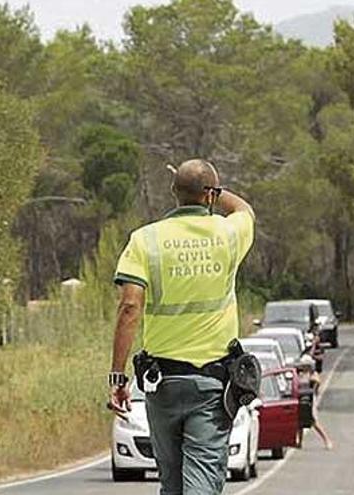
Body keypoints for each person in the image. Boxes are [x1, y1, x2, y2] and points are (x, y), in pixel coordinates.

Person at [108, 159, 255, 495]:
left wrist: (117, 376)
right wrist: (215, 193)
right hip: (211, 383)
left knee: (171, 484)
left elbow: (129, 307)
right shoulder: (228, 234)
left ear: (173, 192)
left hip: (163, 385)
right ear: (210, 195)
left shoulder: (145, 240)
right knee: (201, 483)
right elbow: (244, 209)